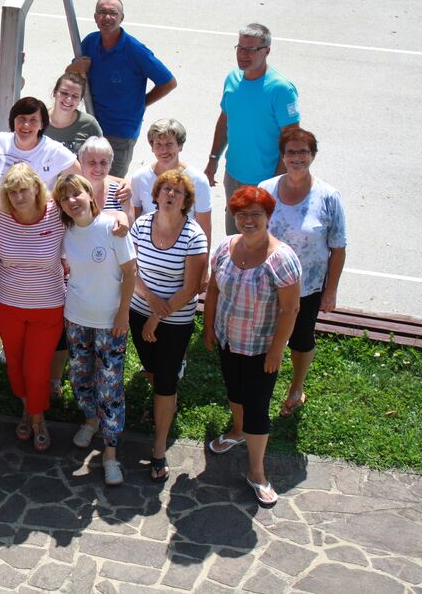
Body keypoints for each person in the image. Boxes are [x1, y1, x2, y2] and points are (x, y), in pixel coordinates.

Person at [204, 186, 301, 509]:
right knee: (234, 389)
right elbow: (214, 290)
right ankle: (237, 430)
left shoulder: (282, 259)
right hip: (229, 339)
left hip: (261, 348)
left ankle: (257, 473)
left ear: (268, 217)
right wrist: (208, 327)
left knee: (257, 407)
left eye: (255, 215)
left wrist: (276, 350)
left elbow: (290, 309)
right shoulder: (225, 247)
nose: (248, 221)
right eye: (242, 214)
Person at [54, 174, 136, 486]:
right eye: (65, 198)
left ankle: (110, 453)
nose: (72, 201)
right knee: (79, 376)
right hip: (76, 317)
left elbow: (130, 273)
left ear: (90, 194)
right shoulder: (66, 231)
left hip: (110, 321)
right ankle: (90, 420)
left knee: (110, 386)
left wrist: (123, 314)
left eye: (76, 194)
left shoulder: (113, 227)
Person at [259, 128, 346, 417]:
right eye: (291, 152)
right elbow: (253, 233)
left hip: (306, 287)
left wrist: (330, 291)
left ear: (313, 155)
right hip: (267, 283)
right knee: (263, 338)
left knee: (301, 339)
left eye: (303, 152)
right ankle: (259, 386)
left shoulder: (328, 196)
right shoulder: (265, 189)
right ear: (282, 156)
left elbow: (338, 248)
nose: (297, 157)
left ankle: (296, 389)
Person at [129, 169, 208, 483]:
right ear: (156, 195)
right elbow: (130, 269)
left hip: (175, 320)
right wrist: (150, 299)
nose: (171, 195)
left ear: (186, 200)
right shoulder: (141, 225)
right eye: (165, 189)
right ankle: (163, 395)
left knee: (165, 381)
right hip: (139, 310)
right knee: (151, 368)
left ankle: (159, 448)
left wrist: (158, 316)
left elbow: (191, 288)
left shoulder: (194, 236)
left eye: (178, 191)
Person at [0, 163, 65, 452]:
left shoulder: (57, 213)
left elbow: (93, 211)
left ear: (37, 188)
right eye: (12, 192)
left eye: (24, 190)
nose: (18, 197)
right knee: (15, 364)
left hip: (48, 307)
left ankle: (37, 420)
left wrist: (120, 216)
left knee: (37, 369)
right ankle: (28, 410)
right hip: (7, 305)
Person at [203, 23, 300, 235]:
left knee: (259, 241)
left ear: (267, 51)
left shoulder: (281, 89)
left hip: (265, 182)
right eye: (240, 48)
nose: (243, 55)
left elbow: (292, 140)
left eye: (251, 49)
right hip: (233, 176)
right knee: (234, 237)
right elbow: (225, 120)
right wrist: (213, 159)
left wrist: (276, 185)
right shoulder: (232, 79)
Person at [73, 0, 176, 177]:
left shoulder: (135, 50)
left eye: (113, 13)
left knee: (110, 184)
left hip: (120, 133)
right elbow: (71, 77)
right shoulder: (90, 42)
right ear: (95, 17)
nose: (107, 17)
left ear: (121, 18)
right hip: (91, 125)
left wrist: (142, 103)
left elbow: (168, 82)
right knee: (84, 180)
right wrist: (74, 68)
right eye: (102, 12)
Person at [131, 119, 212, 259]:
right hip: (147, 255)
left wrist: (204, 267)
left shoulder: (199, 180)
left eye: (169, 144)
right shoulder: (139, 178)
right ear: (151, 147)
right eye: (158, 144)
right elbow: (134, 221)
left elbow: (204, 229)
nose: (163, 150)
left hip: (184, 254)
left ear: (180, 146)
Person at [0, 97, 81, 191]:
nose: (26, 125)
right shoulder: (0, 142)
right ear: (13, 120)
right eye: (21, 119)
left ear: (41, 125)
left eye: (33, 120)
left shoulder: (53, 150)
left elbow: (81, 181)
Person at [44, 71, 103, 156]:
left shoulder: (90, 125)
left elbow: (101, 158)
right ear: (55, 93)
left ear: (80, 100)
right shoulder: (39, 120)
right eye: (64, 93)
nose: (69, 99)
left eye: (75, 96)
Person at [77, 136, 134, 220]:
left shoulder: (121, 192)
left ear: (110, 164)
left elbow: (130, 225)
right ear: (81, 162)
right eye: (92, 163)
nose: (98, 168)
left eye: (103, 163)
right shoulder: (70, 191)